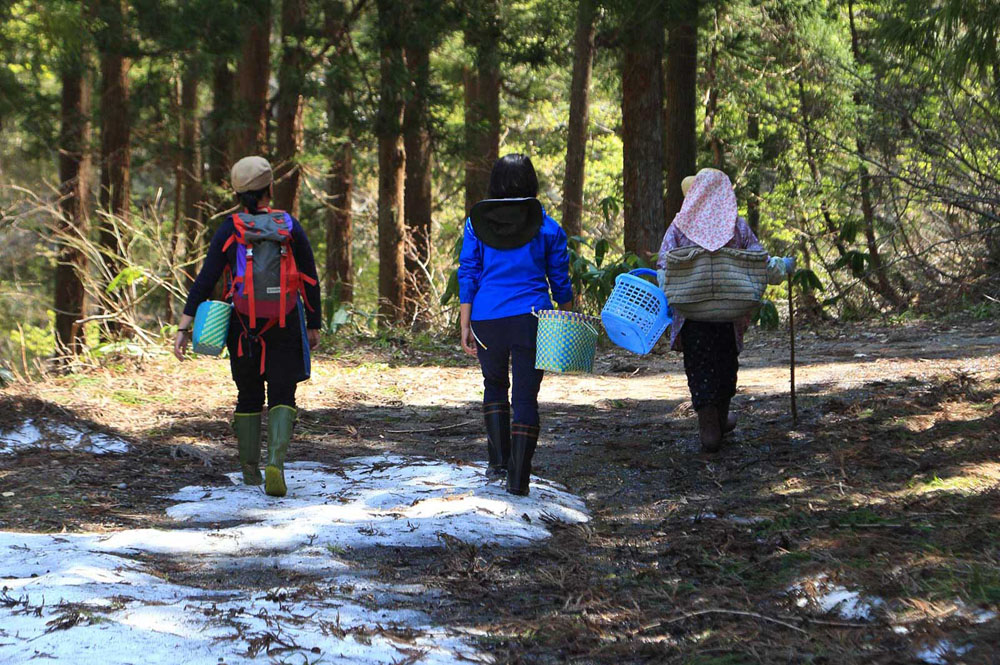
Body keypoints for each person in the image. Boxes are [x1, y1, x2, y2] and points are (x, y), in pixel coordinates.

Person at [174, 156, 322, 497]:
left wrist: (185, 325)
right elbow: (310, 278)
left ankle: (250, 471)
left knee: (249, 394)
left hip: (242, 327)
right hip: (284, 321)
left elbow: (207, 278)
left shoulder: (230, 230)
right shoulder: (288, 226)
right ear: (270, 188)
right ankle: (276, 463)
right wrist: (313, 324)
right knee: (283, 393)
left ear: (238, 193)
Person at [458, 154, 573, 496]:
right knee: (526, 396)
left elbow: (468, 273)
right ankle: (518, 479)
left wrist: (465, 323)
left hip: (486, 317)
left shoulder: (476, 223)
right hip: (532, 319)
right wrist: (566, 316)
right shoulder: (547, 226)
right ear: (531, 183)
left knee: (493, 383)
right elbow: (560, 280)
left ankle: (497, 464)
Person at [658, 168, 792, 453]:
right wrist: (784, 268)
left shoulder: (680, 226)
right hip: (730, 316)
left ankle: (709, 423)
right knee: (726, 364)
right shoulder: (738, 226)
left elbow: (663, 269)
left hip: (692, 316)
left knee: (699, 367)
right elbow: (762, 264)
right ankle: (721, 416)